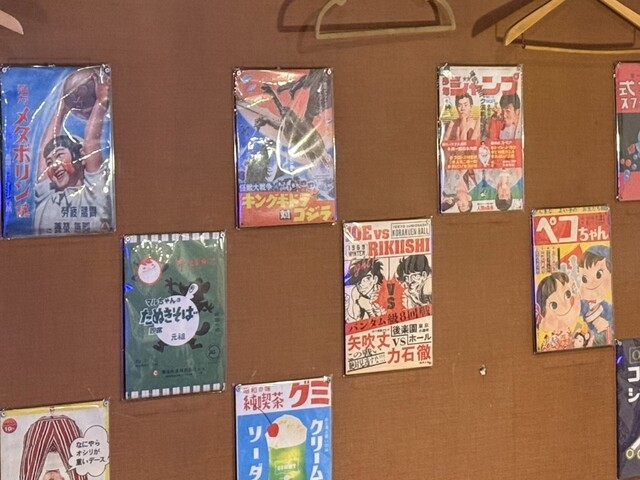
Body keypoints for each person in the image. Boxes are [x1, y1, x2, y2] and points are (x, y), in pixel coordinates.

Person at [35, 68, 113, 235]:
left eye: (59, 155)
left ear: (82, 157)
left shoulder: (94, 193)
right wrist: (63, 105)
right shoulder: (46, 197)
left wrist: (101, 102)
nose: (53, 165)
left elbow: (90, 142)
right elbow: (44, 149)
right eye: (50, 162)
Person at [536, 271, 585, 351]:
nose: (564, 305)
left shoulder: (579, 323)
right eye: (553, 305)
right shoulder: (548, 339)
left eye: (568, 294)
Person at [579, 246, 613, 346]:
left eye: (599, 274)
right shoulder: (582, 304)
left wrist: (607, 325)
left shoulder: (607, 307)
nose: (591, 284)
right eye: (585, 279)